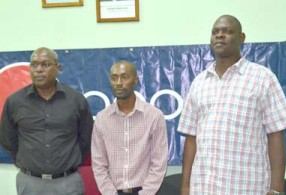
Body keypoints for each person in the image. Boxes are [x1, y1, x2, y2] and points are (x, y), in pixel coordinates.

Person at [177, 15, 286, 195]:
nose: (219, 35)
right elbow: (191, 139)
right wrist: (185, 187)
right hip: (203, 188)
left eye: (227, 31)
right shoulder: (199, 83)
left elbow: (276, 135)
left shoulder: (263, 78)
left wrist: (276, 189)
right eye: (215, 32)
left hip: (248, 187)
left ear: (242, 37)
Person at [0, 47, 94, 195]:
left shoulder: (76, 101)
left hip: (67, 183)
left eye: (45, 64)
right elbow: (8, 140)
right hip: (30, 183)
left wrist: (67, 164)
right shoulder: (15, 102)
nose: (38, 70)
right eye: (34, 64)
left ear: (57, 68)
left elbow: (86, 140)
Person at [91, 60, 168, 195]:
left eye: (125, 77)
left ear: (135, 80)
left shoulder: (154, 116)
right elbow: (99, 164)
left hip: (146, 191)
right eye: (114, 78)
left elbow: (159, 163)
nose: (119, 83)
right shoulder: (102, 119)